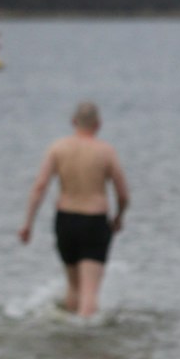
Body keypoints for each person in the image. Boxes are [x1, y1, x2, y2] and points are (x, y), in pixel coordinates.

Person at [18, 101, 130, 319]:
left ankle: (69, 335)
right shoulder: (105, 151)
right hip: (95, 221)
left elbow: (40, 187)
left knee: (73, 287)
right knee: (89, 292)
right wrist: (119, 217)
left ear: (73, 122)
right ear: (98, 124)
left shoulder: (58, 148)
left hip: (66, 220)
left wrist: (28, 224)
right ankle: (85, 335)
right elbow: (123, 194)